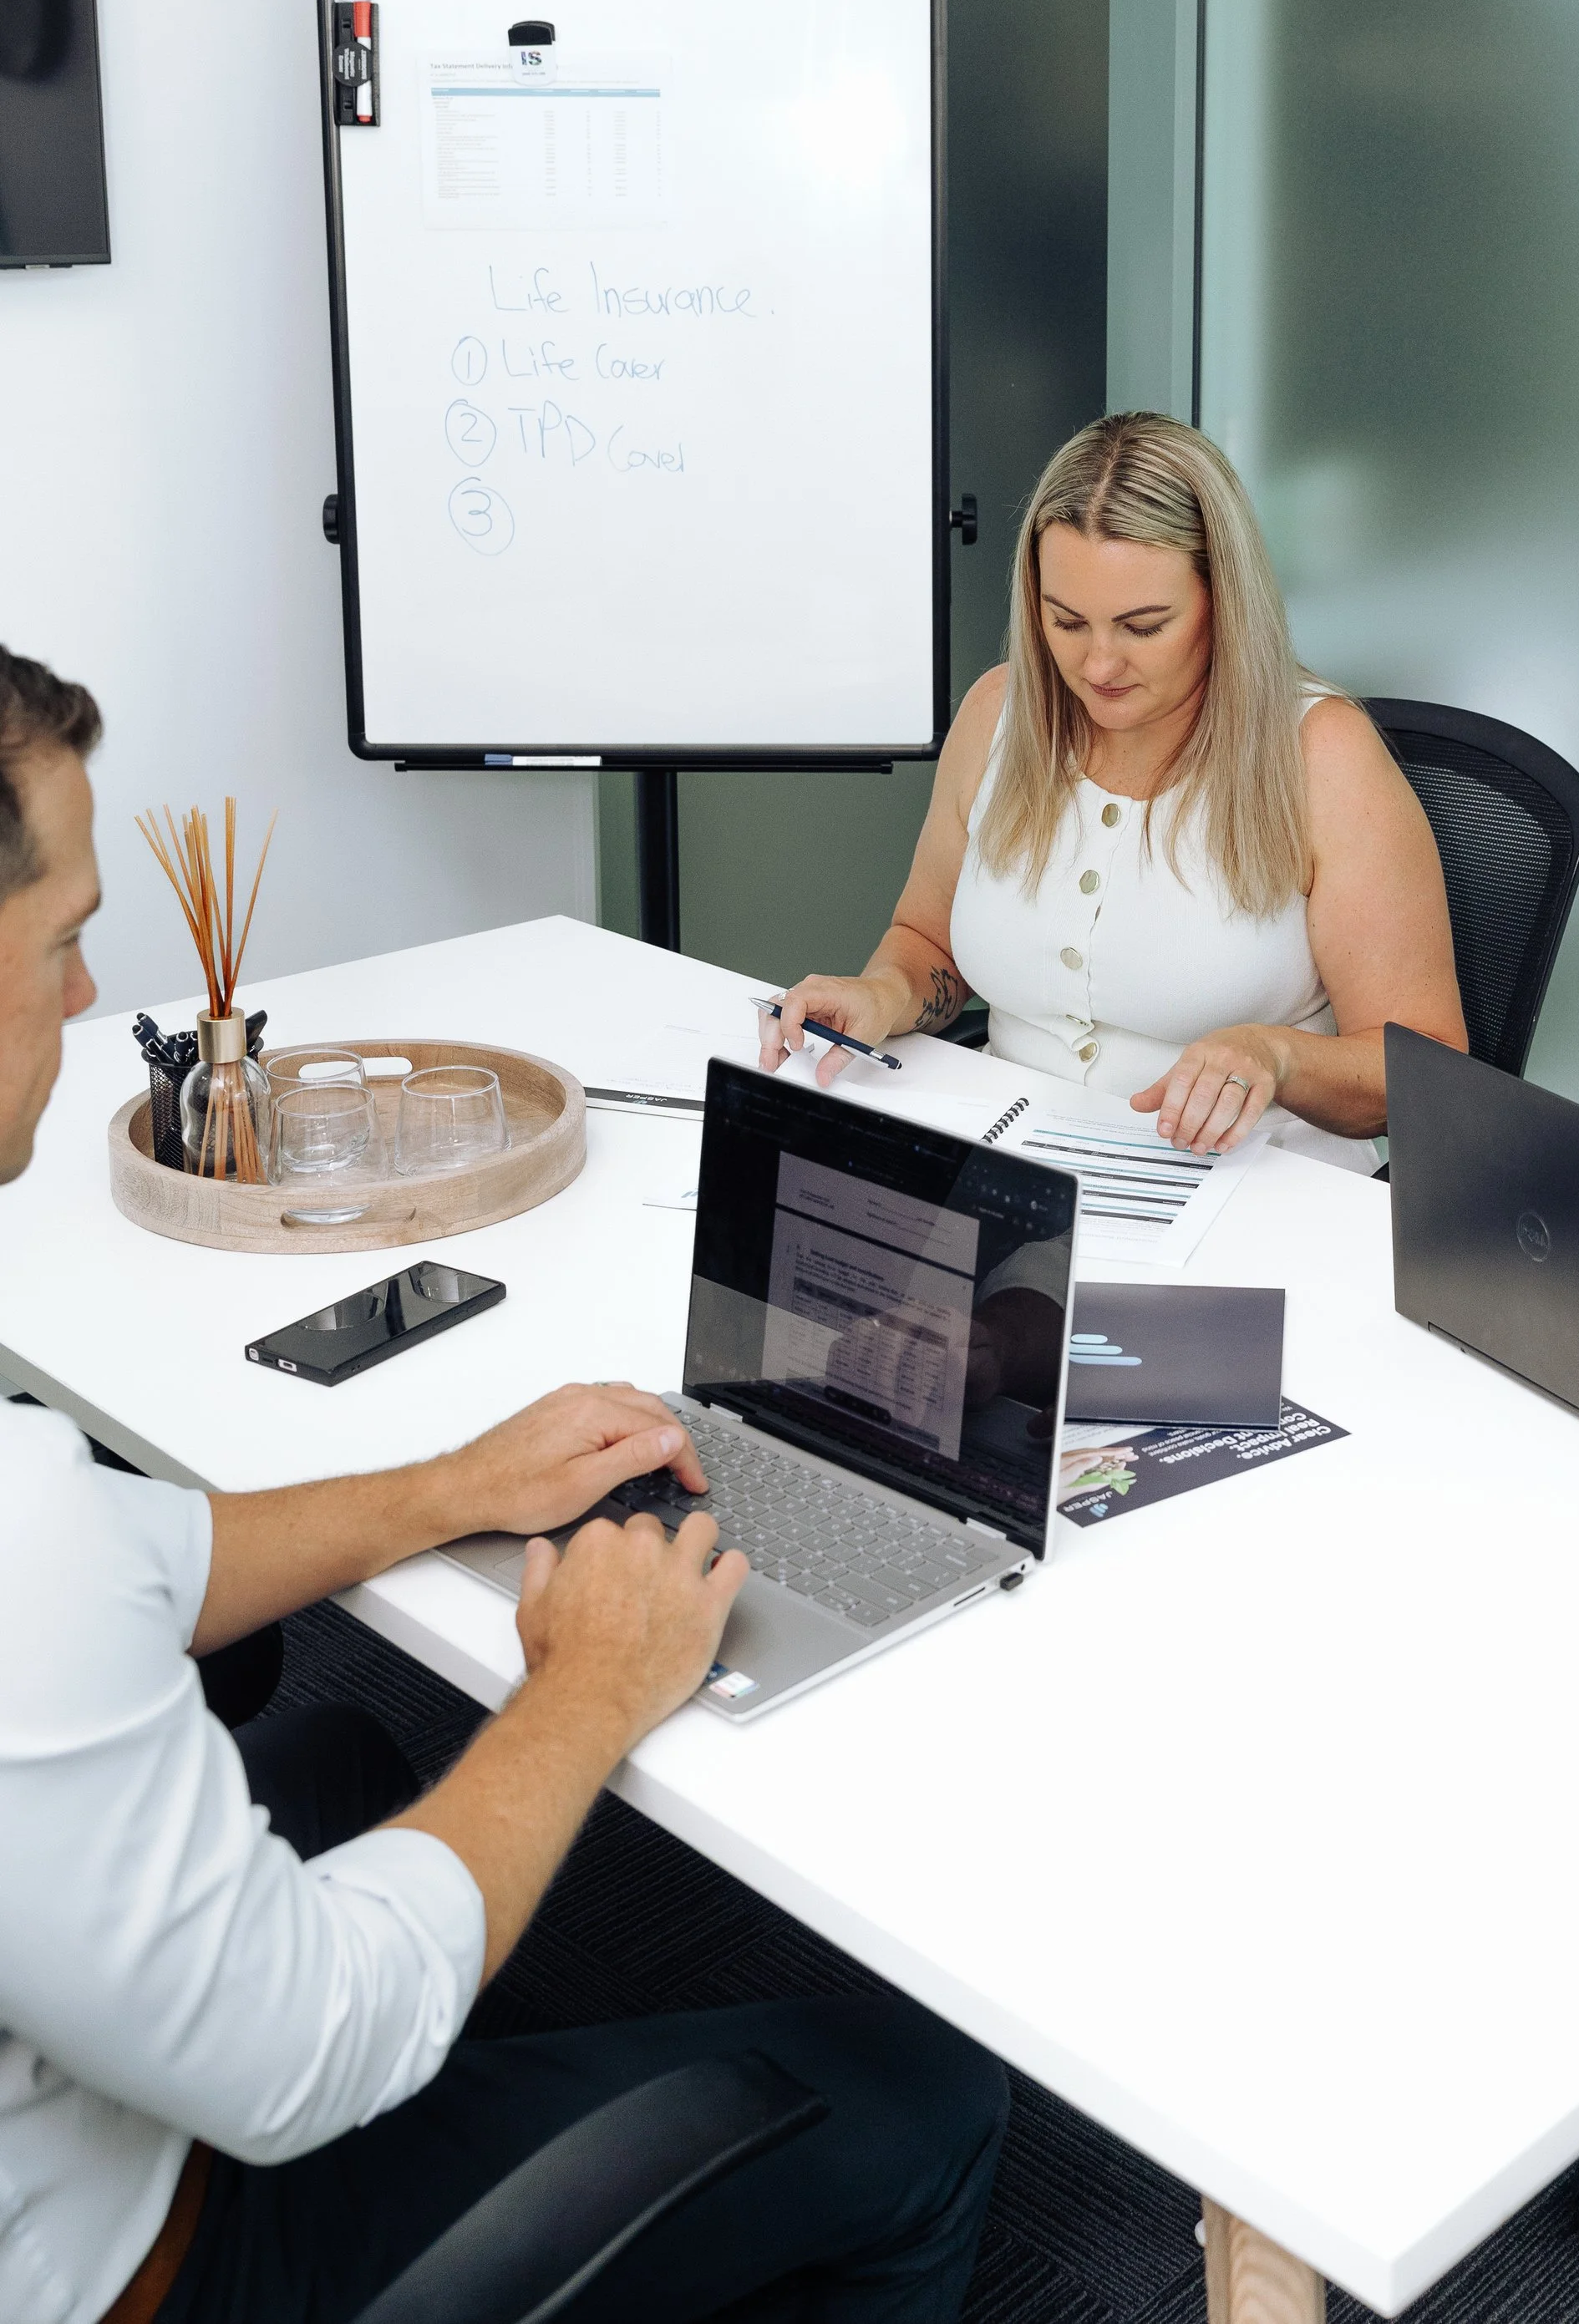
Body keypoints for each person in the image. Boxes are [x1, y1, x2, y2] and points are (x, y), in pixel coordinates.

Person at [0, 646, 1006, 2324]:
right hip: (150, 2271)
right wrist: (588, 1689)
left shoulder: (38, 1524)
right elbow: (305, 2049)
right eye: (62, 945)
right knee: (931, 2099)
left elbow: (127, 1554)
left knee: (327, 1750)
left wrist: (443, 1483)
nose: (96, 994)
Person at [763, 413, 1465, 1165]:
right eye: (1067, 622)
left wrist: (1277, 1057)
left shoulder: (1321, 755)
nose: (1099, 666)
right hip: (1013, 1162)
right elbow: (927, 939)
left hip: (1255, 1192)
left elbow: (1429, 1073)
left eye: (1142, 626)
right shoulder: (999, 715)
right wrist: (886, 996)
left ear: (1222, 604)